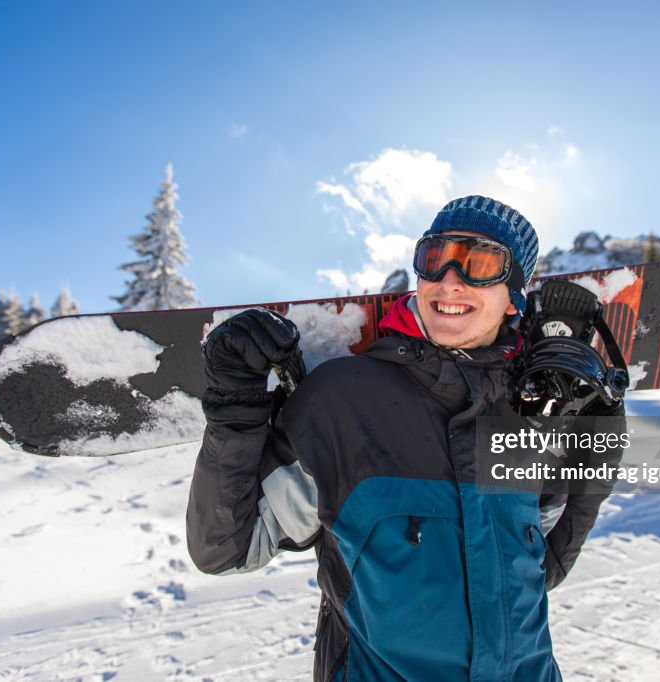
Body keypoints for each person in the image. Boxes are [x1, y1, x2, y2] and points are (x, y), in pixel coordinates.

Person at [187, 195, 622, 681]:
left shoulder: (523, 412)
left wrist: (601, 420)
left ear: (514, 296)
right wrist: (235, 407)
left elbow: (539, 571)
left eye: (479, 263)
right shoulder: (342, 401)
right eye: (435, 259)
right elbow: (226, 548)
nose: (450, 280)